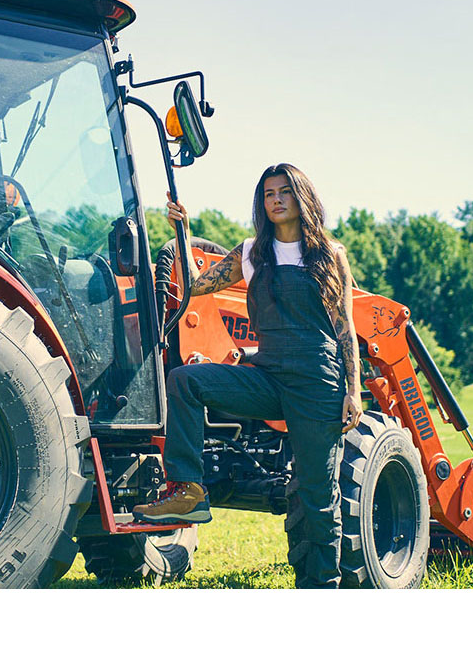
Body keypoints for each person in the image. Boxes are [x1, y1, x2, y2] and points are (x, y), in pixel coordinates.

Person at [132, 163, 364, 588]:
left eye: (284, 192)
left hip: (317, 382)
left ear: (302, 198)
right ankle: (188, 490)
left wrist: (354, 390)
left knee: (316, 494)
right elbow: (197, 286)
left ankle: (323, 587)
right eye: (268, 193)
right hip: (269, 374)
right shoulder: (251, 253)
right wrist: (183, 234)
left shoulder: (330, 255)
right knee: (186, 380)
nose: (275, 199)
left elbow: (345, 326)